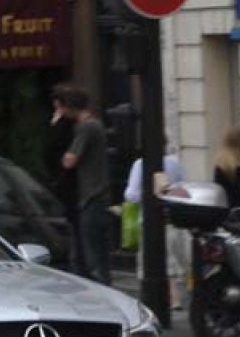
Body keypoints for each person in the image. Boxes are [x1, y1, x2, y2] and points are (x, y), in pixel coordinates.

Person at [124, 134, 187, 308]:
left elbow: (132, 195)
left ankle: (147, 298)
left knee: (147, 259)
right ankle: (175, 297)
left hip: (149, 219)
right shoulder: (175, 163)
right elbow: (184, 187)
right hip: (172, 217)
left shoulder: (140, 164)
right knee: (172, 258)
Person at [59, 86, 112, 285]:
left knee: (94, 257)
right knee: (98, 253)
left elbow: (69, 161)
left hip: (92, 196)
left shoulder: (86, 127)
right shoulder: (95, 125)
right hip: (97, 195)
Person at [47, 83, 83, 272]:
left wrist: (55, 125)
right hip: (67, 183)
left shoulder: (66, 124)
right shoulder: (73, 124)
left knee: (74, 228)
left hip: (70, 184)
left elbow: (55, 150)